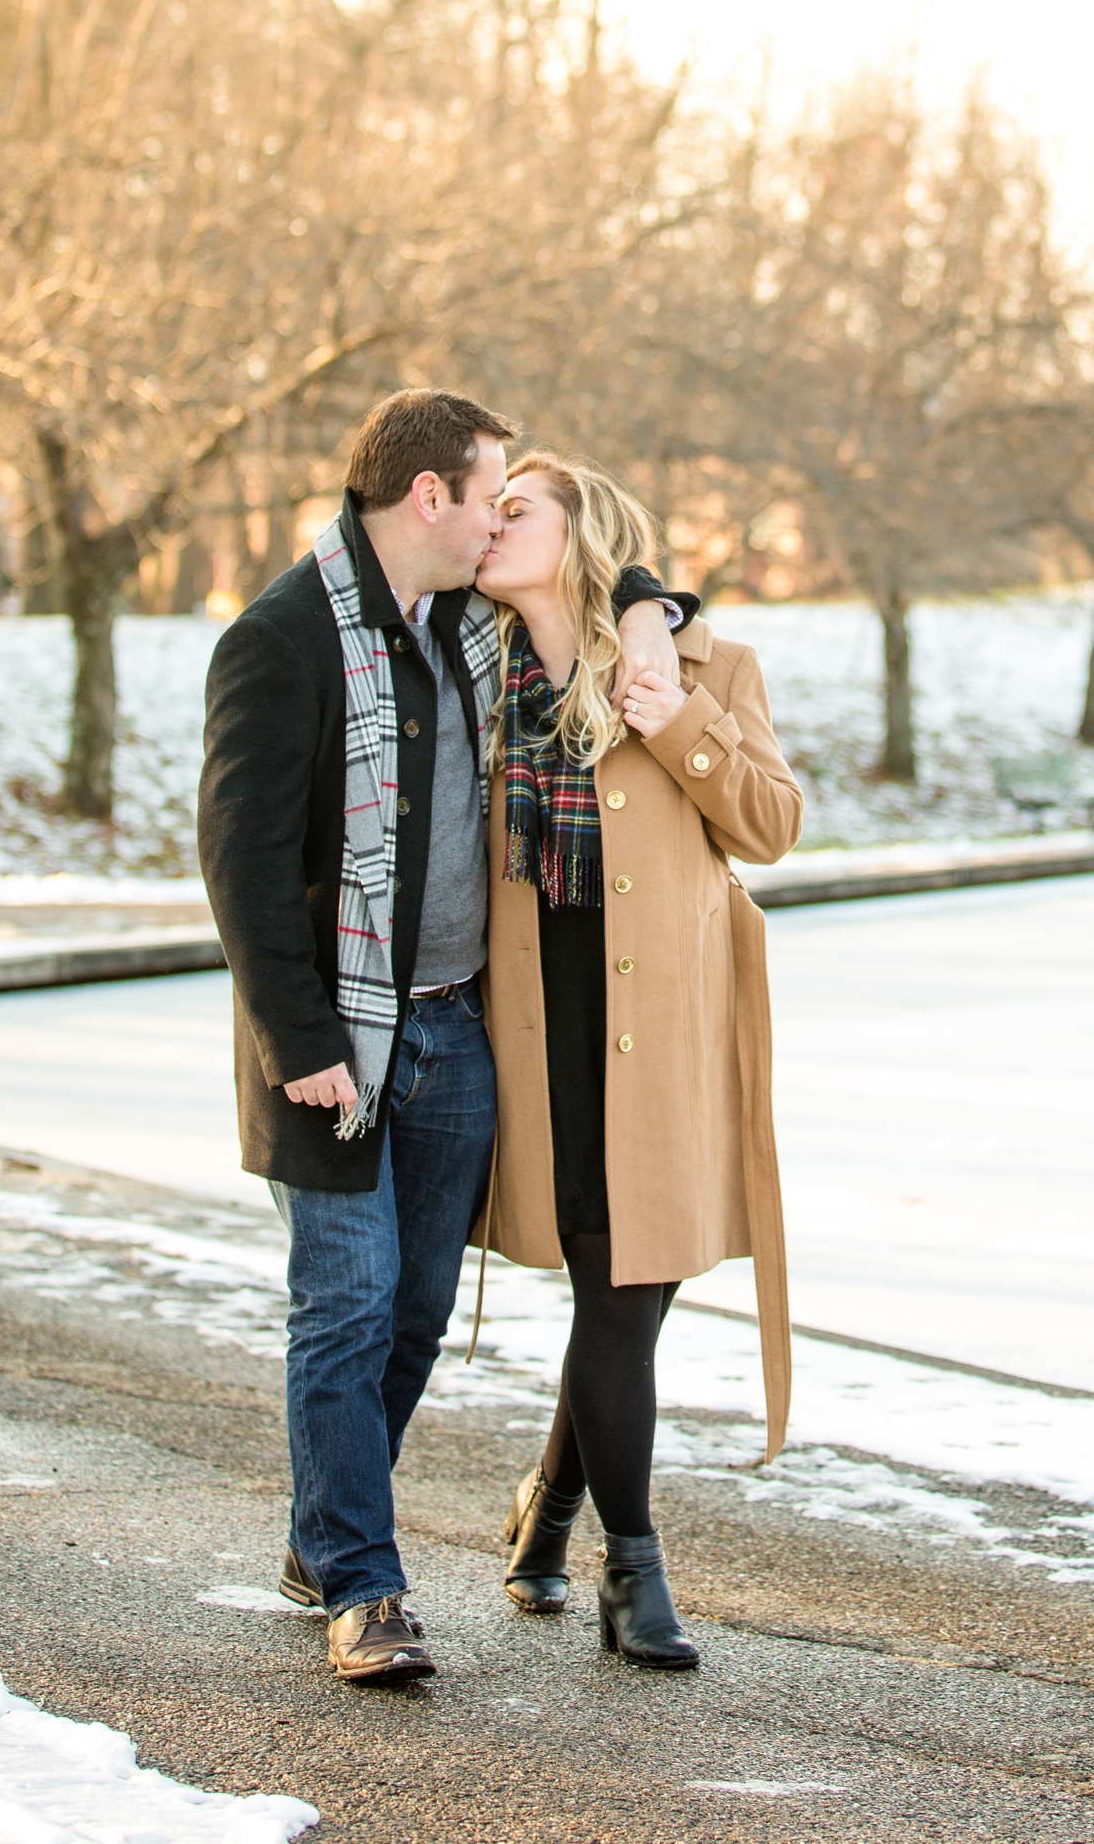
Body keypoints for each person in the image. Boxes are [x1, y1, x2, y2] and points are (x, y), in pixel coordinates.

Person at [196, 389, 693, 1685]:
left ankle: (325, 1532)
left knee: (417, 1314)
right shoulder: (284, 637)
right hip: (333, 1044)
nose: (497, 519)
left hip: (453, 1037)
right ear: (433, 500)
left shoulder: (469, 630)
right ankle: (363, 1585)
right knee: (347, 1306)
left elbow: (608, 569)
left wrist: (648, 608)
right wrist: (299, 1039)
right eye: (489, 496)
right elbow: (239, 864)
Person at [476, 453, 801, 1670]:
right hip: (535, 1018)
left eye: (516, 511)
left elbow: (771, 825)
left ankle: (585, 1535)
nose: (490, 525)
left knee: (626, 1292)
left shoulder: (708, 667)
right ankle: (598, 1544)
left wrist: (683, 730)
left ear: (581, 535)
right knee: (609, 1293)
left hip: (660, 1024)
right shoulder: (463, 665)